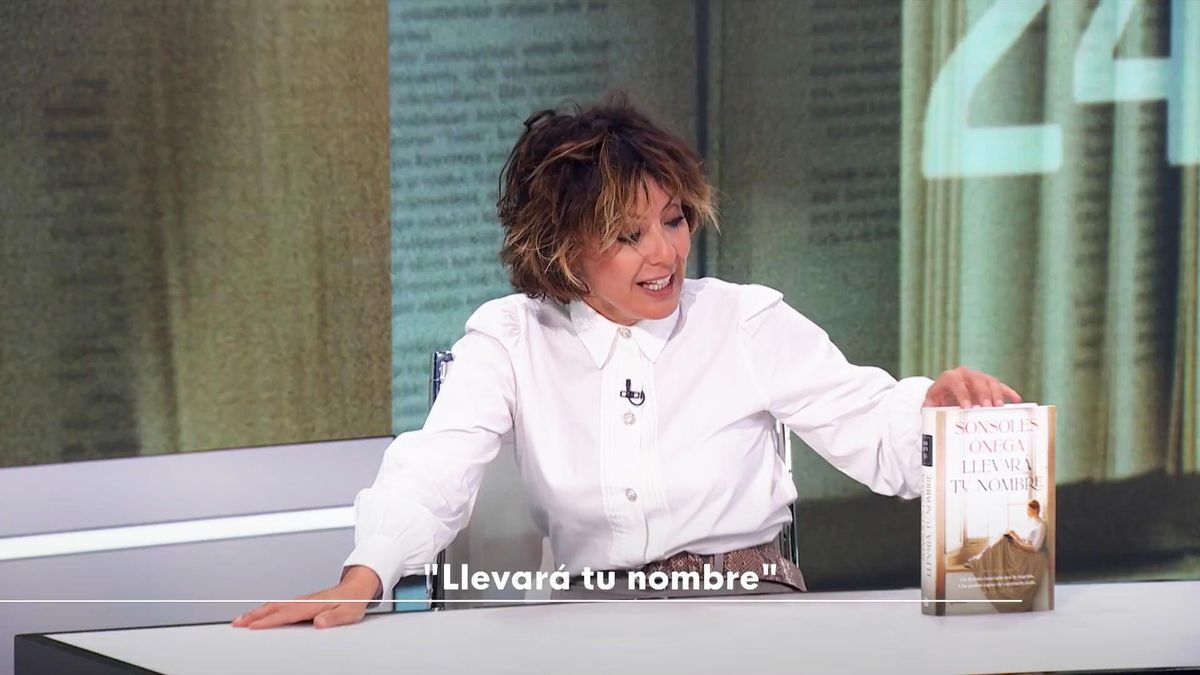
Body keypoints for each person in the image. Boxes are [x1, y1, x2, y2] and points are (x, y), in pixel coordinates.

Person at [232, 93, 1020, 630]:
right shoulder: (510, 337)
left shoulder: (744, 320)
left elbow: (870, 425)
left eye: (673, 220)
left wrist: (936, 412)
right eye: (627, 235)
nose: (665, 253)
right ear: (564, 249)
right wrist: (364, 576)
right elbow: (434, 469)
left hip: (750, 609)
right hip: (591, 621)